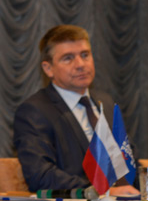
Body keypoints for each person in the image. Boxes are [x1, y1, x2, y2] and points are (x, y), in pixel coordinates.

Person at [13, 25, 138, 196]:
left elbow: (128, 157)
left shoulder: (106, 102)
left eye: (85, 55)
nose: (80, 65)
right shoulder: (34, 111)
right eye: (68, 58)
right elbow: (41, 175)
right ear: (48, 68)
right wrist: (103, 192)